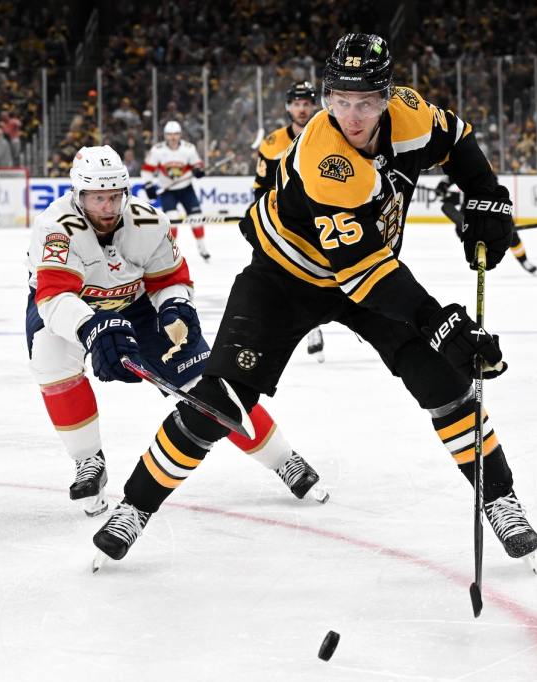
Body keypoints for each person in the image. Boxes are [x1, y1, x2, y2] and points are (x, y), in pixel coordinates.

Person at [92, 34, 537, 569]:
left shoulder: (411, 113)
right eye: (341, 102)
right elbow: (364, 274)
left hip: (371, 271)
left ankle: (500, 498)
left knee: (445, 382)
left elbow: (459, 142)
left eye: (366, 103)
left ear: (387, 96)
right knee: (218, 403)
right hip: (287, 278)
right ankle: (134, 507)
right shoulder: (326, 157)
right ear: (327, 100)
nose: (353, 116)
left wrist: (487, 195)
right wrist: (437, 321)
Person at [26, 145, 329, 517]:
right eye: (98, 198)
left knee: (209, 385)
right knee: (51, 362)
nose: (107, 207)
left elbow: (171, 278)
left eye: (114, 197)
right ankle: (88, 460)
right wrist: (91, 327)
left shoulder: (149, 221)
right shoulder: (55, 227)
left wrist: (174, 305)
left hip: (136, 305)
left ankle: (283, 458)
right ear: (79, 194)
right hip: (71, 306)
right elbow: (55, 296)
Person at [252, 80, 327, 361]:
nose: (302, 109)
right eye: (297, 103)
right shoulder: (272, 144)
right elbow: (260, 188)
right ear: (288, 107)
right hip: (280, 223)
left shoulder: (328, 137)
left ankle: (313, 326)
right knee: (270, 279)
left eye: (307, 103)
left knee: (313, 276)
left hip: (317, 220)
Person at [436, 177, 537, 275]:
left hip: (492, 208)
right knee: (463, 231)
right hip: (472, 207)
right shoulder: (465, 169)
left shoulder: (487, 176)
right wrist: (442, 188)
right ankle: (478, 250)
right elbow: (448, 180)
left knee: (513, 238)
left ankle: (523, 260)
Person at [141, 121, 210, 261]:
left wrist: (198, 171)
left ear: (180, 135)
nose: (173, 137)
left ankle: (202, 248)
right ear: (165, 135)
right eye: (170, 134)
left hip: (186, 189)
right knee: (172, 221)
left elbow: (197, 164)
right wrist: (148, 185)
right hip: (168, 191)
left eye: (176, 134)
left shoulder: (189, 148)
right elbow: (147, 170)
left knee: (196, 219)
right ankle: (171, 251)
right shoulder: (157, 150)